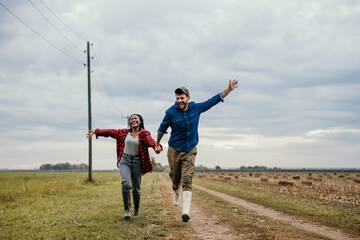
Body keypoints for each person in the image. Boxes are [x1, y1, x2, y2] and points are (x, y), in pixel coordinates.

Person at [154, 79, 238, 222]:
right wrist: (157, 144)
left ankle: (185, 211)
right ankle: (176, 189)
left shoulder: (196, 108)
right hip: (174, 149)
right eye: (177, 98)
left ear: (188, 98)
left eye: (182, 98)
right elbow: (162, 129)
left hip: (190, 149)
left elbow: (212, 101)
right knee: (175, 176)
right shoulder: (170, 112)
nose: (180, 101)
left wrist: (228, 90)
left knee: (187, 178)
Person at [87, 114, 162, 219]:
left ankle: (136, 210)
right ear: (129, 122)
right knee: (126, 184)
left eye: (136, 118)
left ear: (140, 122)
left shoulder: (144, 134)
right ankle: (127, 211)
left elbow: (151, 142)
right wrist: (97, 131)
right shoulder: (123, 133)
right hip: (124, 160)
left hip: (137, 161)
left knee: (136, 188)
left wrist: (157, 147)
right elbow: (110, 132)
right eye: (131, 119)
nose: (133, 120)